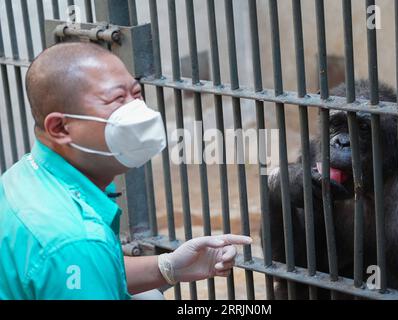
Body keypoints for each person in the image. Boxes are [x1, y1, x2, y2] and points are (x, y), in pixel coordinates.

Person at [0, 42, 252, 300]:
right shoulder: (76, 238)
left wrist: (170, 266)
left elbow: (89, 271)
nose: (138, 112)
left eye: (136, 93)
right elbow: (77, 255)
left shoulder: (25, 175)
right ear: (61, 128)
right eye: (117, 99)